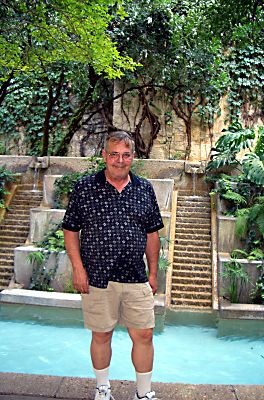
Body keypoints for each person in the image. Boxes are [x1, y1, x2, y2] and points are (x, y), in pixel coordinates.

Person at [62, 131, 164, 400]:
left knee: (144, 335)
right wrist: (78, 269)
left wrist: (153, 273)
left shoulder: (144, 189)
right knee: (101, 335)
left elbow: (152, 234)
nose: (120, 160)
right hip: (97, 277)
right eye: (114, 154)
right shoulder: (85, 187)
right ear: (104, 156)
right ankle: (103, 389)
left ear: (133, 157)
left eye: (126, 154)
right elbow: (71, 229)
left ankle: (143, 393)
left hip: (136, 276)